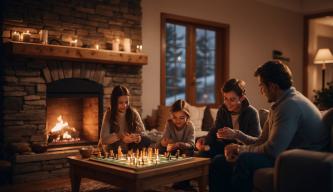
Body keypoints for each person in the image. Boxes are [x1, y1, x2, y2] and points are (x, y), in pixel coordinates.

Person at [212, 61, 329, 192]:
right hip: (285, 155)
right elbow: (261, 141)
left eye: (262, 86)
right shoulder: (279, 105)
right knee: (219, 161)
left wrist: (240, 149)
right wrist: (237, 136)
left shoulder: (290, 106)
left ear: (273, 86)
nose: (261, 91)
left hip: (303, 161)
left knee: (244, 160)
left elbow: (273, 150)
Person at [196, 78, 261, 158]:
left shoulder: (252, 113)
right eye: (225, 98)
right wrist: (205, 140)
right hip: (224, 148)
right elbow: (215, 129)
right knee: (202, 153)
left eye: (232, 99)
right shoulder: (222, 110)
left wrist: (236, 135)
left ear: (241, 98)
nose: (227, 103)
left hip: (243, 150)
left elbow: (257, 142)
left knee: (218, 159)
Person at [99, 85, 150, 153]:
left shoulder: (133, 112)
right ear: (114, 102)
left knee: (147, 140)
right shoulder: (109, 114)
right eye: (120, 103)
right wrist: (120, 136)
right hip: (112, 151)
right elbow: (103, 140)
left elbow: (144, 134)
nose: (124, 106)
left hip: (129, 150)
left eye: (126, 102)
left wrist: (137, 138)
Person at [160, 99, 195, 190]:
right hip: (171, 149)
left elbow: (191, 144)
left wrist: (179, 144)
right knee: (161, 149)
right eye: (174, 117)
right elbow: (164, 139)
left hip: (184, 149)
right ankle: (163, 179)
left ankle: (183, 182)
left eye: (181, 118)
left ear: (187, 117)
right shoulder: (169, 124)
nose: (177, 121)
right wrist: (164, 142)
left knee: (188, 151)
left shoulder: (190, 126)